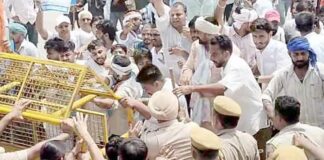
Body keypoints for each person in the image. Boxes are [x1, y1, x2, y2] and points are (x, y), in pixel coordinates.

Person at [174, 35, 267, 135]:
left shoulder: (236, 66)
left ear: (226, 54)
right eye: (210, 54)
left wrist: (192, 88)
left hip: (253, 124)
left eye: (214, 54)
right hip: (241, 123)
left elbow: (222, 88)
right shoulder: (225, 66)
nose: (211, 58)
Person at [262, 36, 324, 129]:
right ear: (289, 54)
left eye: (303, 53)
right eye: (296, 54)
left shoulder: (320, 71)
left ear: (308, 52)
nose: (300, 58)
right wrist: (272, 113)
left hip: (320, 129)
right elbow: (266, 95)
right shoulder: (283, 74)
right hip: (295, 130)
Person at [179, 16, 223, 128]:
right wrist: (187, 72)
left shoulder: (225, 48)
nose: (200, 36)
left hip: (216, 99)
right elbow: (188, 66)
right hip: (198, 98)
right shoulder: (196, 46)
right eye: (199, 32)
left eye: (206, 34)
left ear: (214, 34)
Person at [139, 90, 198, 160]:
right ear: (178, 110)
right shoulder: (193, 128)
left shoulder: (148, 140)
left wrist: (132, 137)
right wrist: (183, 119)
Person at [93, 55, 143, 136]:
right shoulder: (130, 72)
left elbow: (110, 104)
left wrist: (92, 99)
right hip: (118, 126)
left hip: (123, 132)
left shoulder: (126, 88)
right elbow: (110, 79)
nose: (110, 72)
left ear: (119, 74)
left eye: (112, 71)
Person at [151, 0, 192, 82]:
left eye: (178, 14)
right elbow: (159, 6)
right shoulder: (165, 28)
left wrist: (191, 38)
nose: (174, 17)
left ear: (186, 14)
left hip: (191, 78)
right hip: (173, 79)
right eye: (172, 15)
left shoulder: (193, 29)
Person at [250, 18, 290, 85]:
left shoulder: (280, 49)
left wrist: (254, 79)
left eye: (261, 36)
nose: (258, 40)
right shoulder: (258, 49)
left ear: (270, 34)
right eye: (254, 36)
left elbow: (280, 76)